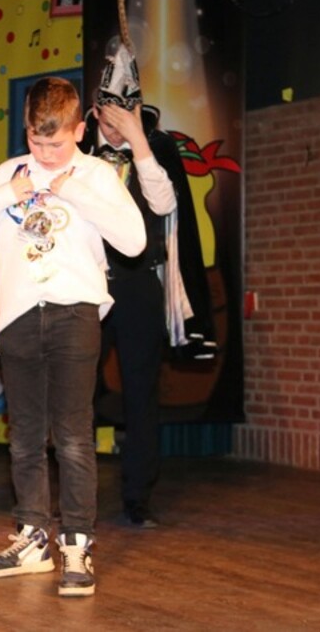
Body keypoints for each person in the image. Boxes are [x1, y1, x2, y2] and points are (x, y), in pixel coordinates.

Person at [0, 77, 145, 597]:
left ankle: (77, 543)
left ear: (80, 130)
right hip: (18, 317)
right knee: (24, 437)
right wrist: (5, 195)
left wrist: (76, 191)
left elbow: (134, 241)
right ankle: (32, 539)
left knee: (73, 436)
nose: (45, 154)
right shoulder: (8, 172)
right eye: (37, 142)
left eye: (56, 143)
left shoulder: (97, 174)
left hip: (74, 314)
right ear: (26, 131)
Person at [80, 44, 217, 528]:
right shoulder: (75, 149)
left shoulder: (155, 148)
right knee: (77, 391)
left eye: (128, 114)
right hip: (86, 284)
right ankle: (74, 495)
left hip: (138, 282)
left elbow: (165, 207)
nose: (117, 124)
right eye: (111, 115)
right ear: (95, 110)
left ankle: (138, 497)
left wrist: (138, 141)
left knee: (141, 390)